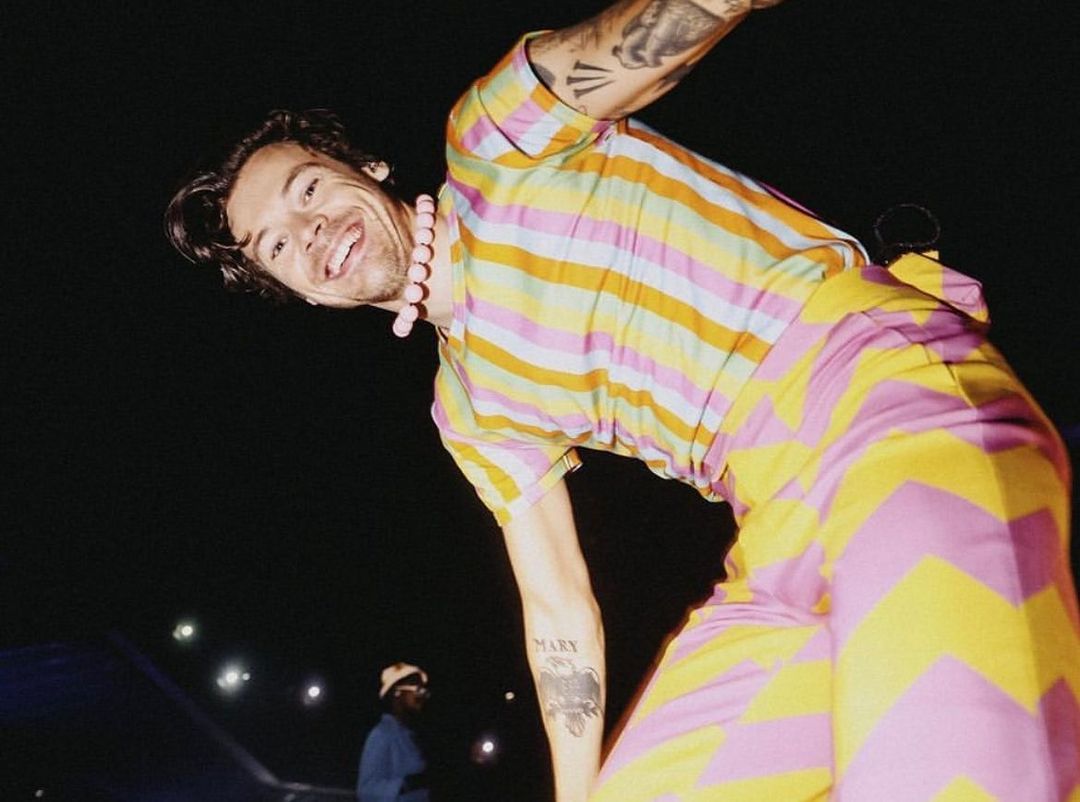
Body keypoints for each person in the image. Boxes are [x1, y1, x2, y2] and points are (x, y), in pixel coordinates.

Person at [166, 1, 1080, 799]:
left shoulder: (496, 145)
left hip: (886, 400)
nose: (309, 230)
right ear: (293, 291)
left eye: (309, 189)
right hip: (776, 526)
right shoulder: (470, 409)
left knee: (946, 762)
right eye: (276, 246)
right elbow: (558, 612)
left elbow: (662, 28)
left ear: (365, 167)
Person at [357, 663, 432, 802]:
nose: (423, 696)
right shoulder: (382, 734)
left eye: (424, 692)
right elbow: (366, 791)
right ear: (397, 693)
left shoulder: (411, 736)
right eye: (417, 690)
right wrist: (407, 783)